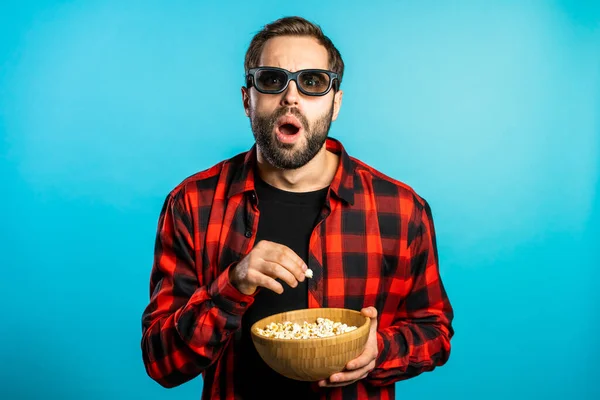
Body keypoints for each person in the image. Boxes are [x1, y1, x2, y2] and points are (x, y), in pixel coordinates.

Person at [141, 16, 454, 400]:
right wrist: (232, 285)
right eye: (272, 80)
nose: (291, 97)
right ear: (247, 99)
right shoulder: (192, 204)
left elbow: (434, 331)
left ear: (335, 102)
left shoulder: (402, 210)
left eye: (312, 82)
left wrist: (380, 351)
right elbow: (161, 362)